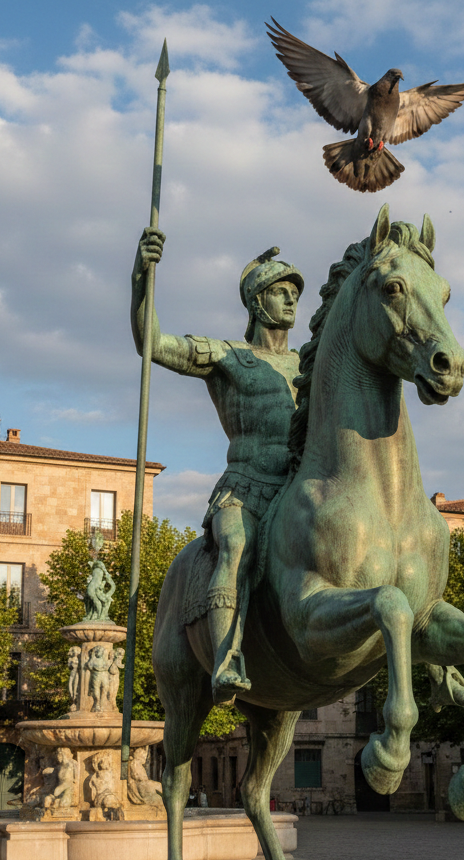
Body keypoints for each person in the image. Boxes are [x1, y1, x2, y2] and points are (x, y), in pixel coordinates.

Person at [132, 228, 304, 704]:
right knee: (235, 546)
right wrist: (140, 278)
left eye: (294, 293)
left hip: (301, 485)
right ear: (255, 300)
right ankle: (228, 658)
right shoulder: (228, 356)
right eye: (279, 292)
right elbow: (151, 341)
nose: (290, 300)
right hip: (247, 485)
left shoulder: (308, 363)